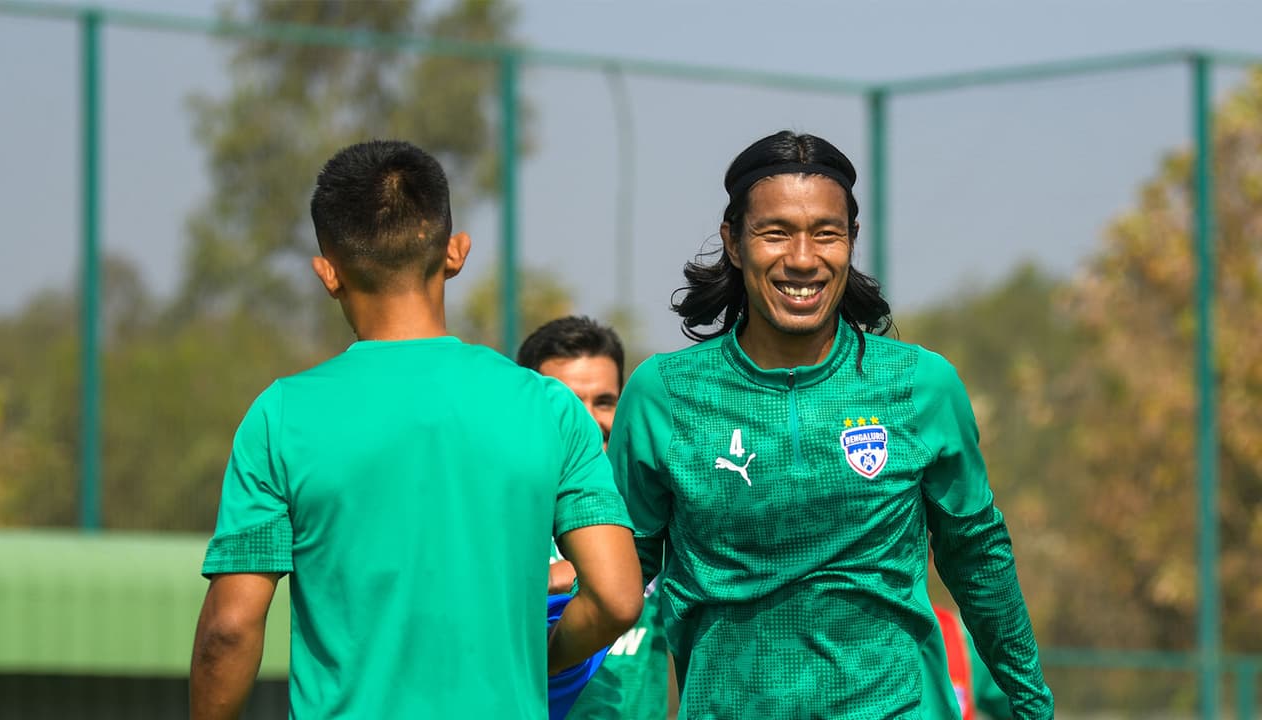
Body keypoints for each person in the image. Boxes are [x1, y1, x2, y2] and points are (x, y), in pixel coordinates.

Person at [607, 130, 1054, 718]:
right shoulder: (664, 395)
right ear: (734, 243)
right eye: (775, 233)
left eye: (826, 233)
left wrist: (1032, 706)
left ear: (851, 242)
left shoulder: (920, 385)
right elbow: (614, 580)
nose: (802, 258)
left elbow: (978, 558)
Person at [189, 140, 642, 720]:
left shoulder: (281, 417)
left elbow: (229, 629)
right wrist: (540, 660)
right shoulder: (550, 408)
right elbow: (618, 597)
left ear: (327, 273)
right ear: (456, 253)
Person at [518, 316, 673, 720]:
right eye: (569, 403)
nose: (588, 421)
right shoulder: (505, 521)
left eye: (603, 401)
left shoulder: (654, 516)